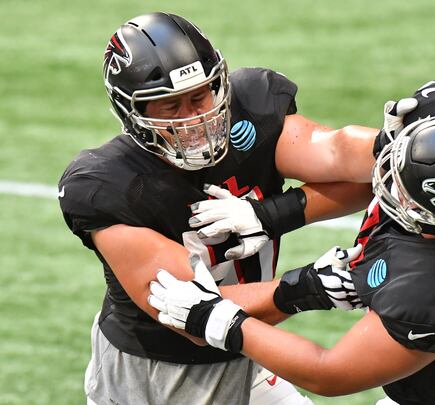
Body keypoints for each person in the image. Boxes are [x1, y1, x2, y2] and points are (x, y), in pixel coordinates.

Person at [57, 11, 406, 405]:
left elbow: (348, 161)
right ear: (132, 113)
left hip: (246, 346)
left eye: (199, 96)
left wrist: (398, 146)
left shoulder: (250, 109)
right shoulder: (109, 184)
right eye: (170, 106)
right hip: (159, 371)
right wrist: (307, 288)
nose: (194, 119)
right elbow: (188, 311)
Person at [148, 110, 435, 403]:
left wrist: (222, 322)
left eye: (405, 188)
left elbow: (328, 372)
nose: (384, 177)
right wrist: (273, 222)